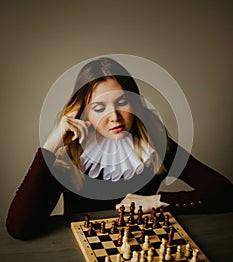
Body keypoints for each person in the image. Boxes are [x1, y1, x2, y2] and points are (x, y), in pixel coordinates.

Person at [6, 57, 233, 240]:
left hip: (143, 247)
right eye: (99, 107)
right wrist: (51, 144)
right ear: (83, 111)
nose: (114, 117)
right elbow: (20, 227)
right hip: (82, 257)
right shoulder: (69, 155)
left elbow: (225, 194)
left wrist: (157, 201)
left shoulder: (155, 144)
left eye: (122, 102)